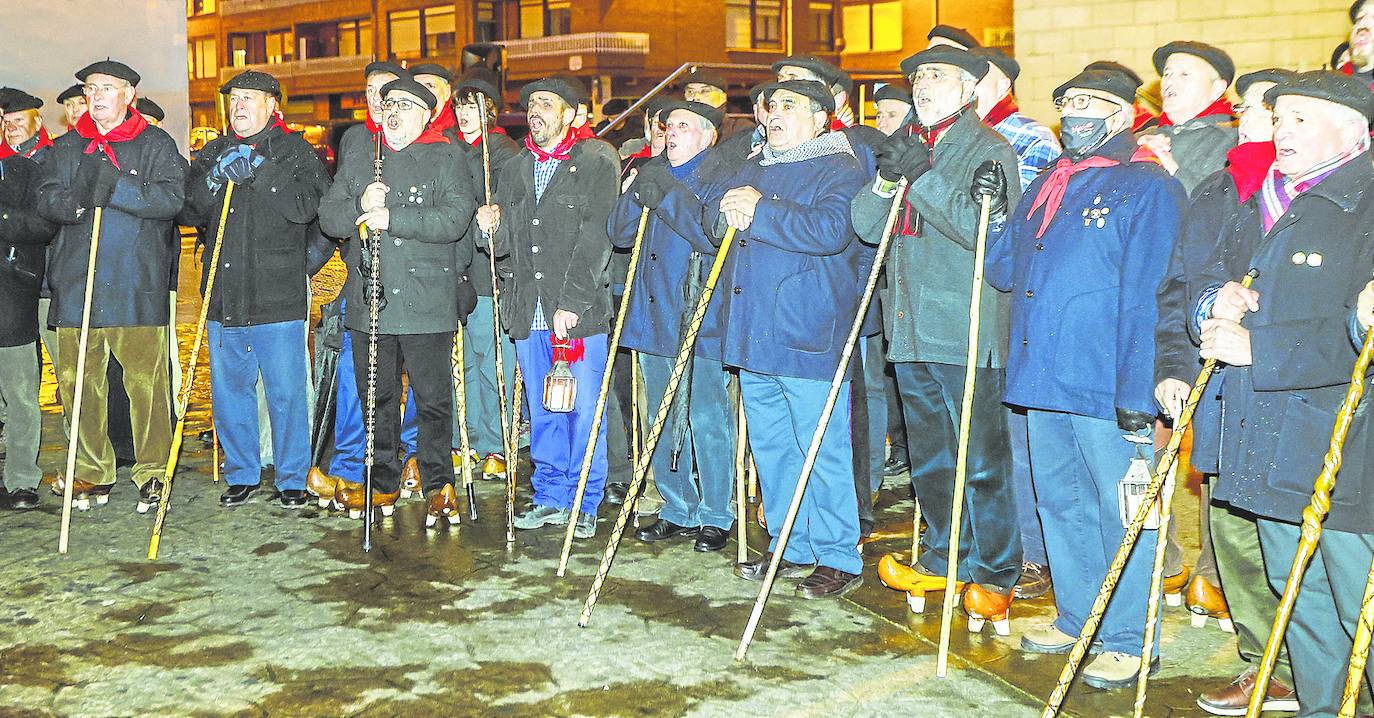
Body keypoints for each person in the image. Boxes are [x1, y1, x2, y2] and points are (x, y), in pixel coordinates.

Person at [986, 68, 1186, 689]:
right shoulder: (1051, 180)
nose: (1073, 112)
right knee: (1060, 502)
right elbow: (1003, 270)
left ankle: (1129, 637)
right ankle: (1079, 617)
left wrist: (1139, 388)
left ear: (1120, 114)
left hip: (1107, 380)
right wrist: (996, 212)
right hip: (1044, 373)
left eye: (1089, 103)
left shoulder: (1147, 185)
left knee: (1121, 511)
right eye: (1067, 101)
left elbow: (1152, 292)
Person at [1198, 70, 1374, 717]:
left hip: (1345, 443)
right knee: (1297, 594)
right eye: (1278, 118)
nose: (1282, 131)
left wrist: (1261, 349)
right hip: (1265, 436)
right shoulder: (1261, 198)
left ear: (1353, 129)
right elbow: (1204, 275)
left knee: (1359, 601)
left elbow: (1365, 331)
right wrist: (1214, 302)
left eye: (1301, 118)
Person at [856, 46, 1023, 630]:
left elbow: (980, 231)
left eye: (937, 75)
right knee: (931, 457)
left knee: (981, 459)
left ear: (969, 89)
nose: (923, 85)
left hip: (965, 326)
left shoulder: (990, 149)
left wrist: (920, 177)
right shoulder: (907, 144)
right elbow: (865, 226)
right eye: (919, 76)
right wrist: (886, 180)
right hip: (909, 327)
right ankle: (944, 553)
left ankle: (995, 572)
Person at [1151, 67, 1301, 716]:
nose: (1250, 118)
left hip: (1292, 391)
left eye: (1268, 109)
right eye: (1248, 109)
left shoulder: (1322, 191)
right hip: (1218, 389)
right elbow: (1180, 284)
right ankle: (1266, 662)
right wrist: (1172, 364)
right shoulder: (1219, 188)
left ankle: (1311, 667)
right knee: (1231, 531)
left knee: (1287, 540)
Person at [702, 79, 868, 599]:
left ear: (820, 119)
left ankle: (838, 555)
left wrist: (760, 208)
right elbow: (715, 224)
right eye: (772, 106)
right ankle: (790, 544)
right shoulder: (753, 165)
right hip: (754, 330)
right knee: (773, 446)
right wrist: (724, 211)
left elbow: (831, 231)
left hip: (807, 331)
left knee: (820, 448)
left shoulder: (840, 168)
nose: (775, 114)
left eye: (790, 107)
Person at [317, 76, 476, 526]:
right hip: (372, 301)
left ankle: (438, 484)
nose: (394, 112)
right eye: (389, 104)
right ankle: (381, 481)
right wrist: (359, 204)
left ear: (426, 114)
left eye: (406, 105)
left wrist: (393, 217)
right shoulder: (362, 157)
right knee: (377, 398)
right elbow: (329, 216)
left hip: (427, 301)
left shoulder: (446, 156)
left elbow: (454, 218)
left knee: (432, 400)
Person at [36, 60, 186, 513]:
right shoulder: (67, 147)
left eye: (106, 88)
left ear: (128, 95)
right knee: (79, 385)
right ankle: (92, 469)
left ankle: (153, 471)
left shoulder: (154, 143)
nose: (96, 96)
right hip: (77, 285)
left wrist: (118, 188)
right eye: (90, 88)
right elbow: (45, 197)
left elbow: (171, 199)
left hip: (135, 284)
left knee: (146, 386)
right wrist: (80, 201)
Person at [475, 76, 618, 540]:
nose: (535, 110)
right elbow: (503, 246)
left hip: (577, 314)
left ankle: (585, 500)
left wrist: (572, 302)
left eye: (547, 103)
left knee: (583, 410)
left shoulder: (596, 160)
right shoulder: (516, 166)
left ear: (571, 114)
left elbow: (596, 238)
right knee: (544, 409)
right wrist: (488, 227)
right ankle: (551, 495)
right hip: (528, 311)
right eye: (531, 103)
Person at [181, 70, 329, 509]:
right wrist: (213, 179)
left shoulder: (295, 152)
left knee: (286, 392)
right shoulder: (214, 152)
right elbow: (188, 211)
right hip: (225, 294)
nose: (239, 106)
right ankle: (242, 472)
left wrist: (263, 172)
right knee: (231, 392)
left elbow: (311, 209)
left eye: (249, 98)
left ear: (271, 105)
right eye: (234, 99)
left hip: (278, 296)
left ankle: (292, 476)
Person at [612, 100, 735, 552]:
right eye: (668, 125)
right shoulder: (652, 171)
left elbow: (711, 235)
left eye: (684, 125)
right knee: (659, 418)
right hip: (653, 316)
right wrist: (635, 194)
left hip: (699, 316)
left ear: (707, 135)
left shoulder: (722, 177)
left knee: (706, 416)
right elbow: (619, 234)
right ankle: (677, 505)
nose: (672, 132)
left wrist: (666, 193)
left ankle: (716, 513)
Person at [453, 68, 521, 481]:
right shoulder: (448, 146)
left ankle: (496, 442)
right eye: (460, 107)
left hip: (486, 272)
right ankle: (466, 439)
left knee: (489, 360)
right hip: (453, 270)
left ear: (490, 110)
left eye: (473, 107)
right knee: (460, 363)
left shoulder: (501, 151)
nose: (464, 115)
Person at [0, 136, 57, 510]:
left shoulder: (24, 171)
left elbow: (43, 226)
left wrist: (3, 217)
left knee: (20, 395)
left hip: (11, 303)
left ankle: (21, 479)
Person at [1139, 41, 1238, 195]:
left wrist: (1170, 166)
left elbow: (1218, 200)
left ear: (1217, 89)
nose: (1169, 81)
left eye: (1184, 74)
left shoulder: (1234, 140)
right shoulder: (1144, 137)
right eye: (1167, 74)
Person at [1, 90, 54, 160]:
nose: (10, 128)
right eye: (6, 122)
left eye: (18, 120)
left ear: (38, 122)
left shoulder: (58, 152)